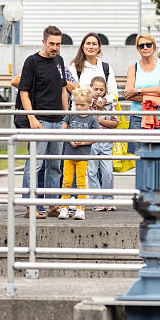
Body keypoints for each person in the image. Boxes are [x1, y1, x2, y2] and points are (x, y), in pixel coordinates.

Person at [16, 25, 70, 218]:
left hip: (58, 121)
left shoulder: (60, 60)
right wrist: (32, 117)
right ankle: (31, 206)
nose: (55, 48)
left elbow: (63, 89)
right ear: (44, 42)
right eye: (51, 44)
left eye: (58, 44)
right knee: (35, 164)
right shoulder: (32, 61)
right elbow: (23, 92)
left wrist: (67, 116)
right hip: (40, 121)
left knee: (55, 165)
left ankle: (52, 205)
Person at [58, 86, 100, 220]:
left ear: (89, 104)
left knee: (81, 181)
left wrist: (82, 142)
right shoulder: (70, 116)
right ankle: (64, 207)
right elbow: (62, 130)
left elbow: (95, 138)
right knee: (67, 181)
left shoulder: (92, 119)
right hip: (69, 154)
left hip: (83, 155)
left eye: (82, 105)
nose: (79, 107)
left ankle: (80, 208)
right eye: (77, 104)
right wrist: (70, 140)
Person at [122, 33, 160, 131]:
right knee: (137, 147)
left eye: (148, 45)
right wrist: (155, 99)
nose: (145, 48)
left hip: (159, 117)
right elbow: (128, 95)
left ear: (153, 46)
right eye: (141, 46)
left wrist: (137, 91)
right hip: (137, 118)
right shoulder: (133, 67)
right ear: (138, 49)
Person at [86, 74, 119, 210]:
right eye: (96, 89)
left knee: (107, 171)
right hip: (90, 141)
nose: (98, 92)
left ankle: (108, 199)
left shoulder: (109, 105)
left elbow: (114, 122)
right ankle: (96, 201)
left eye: (101, 90)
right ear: (91, 89)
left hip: (105, 140)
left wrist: (98, 120)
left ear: (105, 90)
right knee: (92, 171)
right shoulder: (86, 104)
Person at [70, 32, 119, 100]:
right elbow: (73, 93)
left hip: (102, 109)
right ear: (82, 47)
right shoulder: (75, 66)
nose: (91, 47)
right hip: (81, 109)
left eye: (94, 44)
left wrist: (103, 101)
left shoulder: (106, 67)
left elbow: (114, 94)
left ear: (99, 48)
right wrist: (91, 100)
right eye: (88, 43)